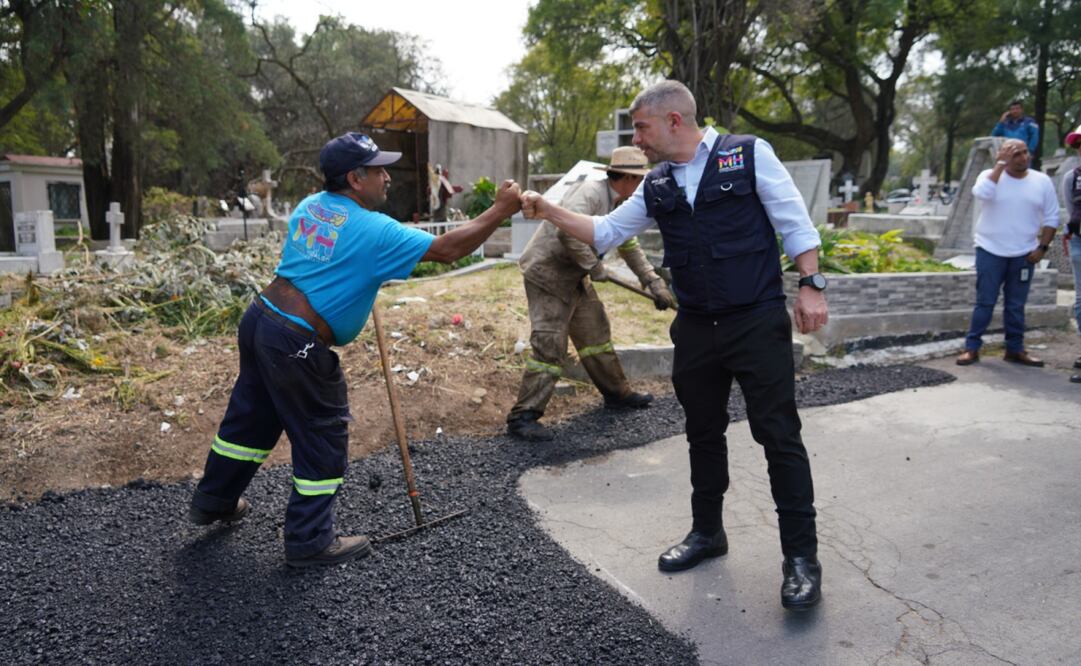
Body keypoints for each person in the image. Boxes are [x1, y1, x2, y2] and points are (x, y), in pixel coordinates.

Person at [520, 80, 828, 610]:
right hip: (697, 327)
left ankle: (801, 557)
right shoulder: (657, 183)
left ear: (674, 122)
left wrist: (811, 284)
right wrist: (548, 211)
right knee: (702, 434)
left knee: (779, 436)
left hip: (754, 321)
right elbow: (606, 230)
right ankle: (707, 533)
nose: (636, 138)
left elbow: (793, 220)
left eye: (641, 127)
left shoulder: (748, 155)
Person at [189, 132, 522, 567]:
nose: (387, 177)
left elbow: (335, 257)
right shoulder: (373, 229)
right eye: (378, 170)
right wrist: (500, 209)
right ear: (354, 177)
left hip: (261, 320)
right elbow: (447, 249)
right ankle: (308, 540)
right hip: (296, 340)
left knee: (251, 418)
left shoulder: (313, 206)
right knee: (323, 432)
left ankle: (214, 500)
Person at [507, 146, 677, 441]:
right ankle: (523, 416)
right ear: (625, 178)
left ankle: (617, 394)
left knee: (595, 334)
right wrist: (593, 265)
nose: (641, 188)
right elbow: (565, 231)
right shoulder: (590, 193)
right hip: (548, 274)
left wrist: (652, 282)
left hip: (574, 275)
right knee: (550, 346)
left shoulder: (621, 203)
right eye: (639, 181)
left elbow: (628, 245)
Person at [956, 138, 1059, 368]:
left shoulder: (1041, 181)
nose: (1023, 158)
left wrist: (1042, 248)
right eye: (1016, 154)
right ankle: (971, 348)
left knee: (1015, 305)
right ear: (1004, 157)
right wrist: (999, 166)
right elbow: (981, 194)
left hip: (1024, 254)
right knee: (985, 302)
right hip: (990, 250)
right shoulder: (988, 176)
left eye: (1025, 152)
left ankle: (1015, 349)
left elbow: (1052, 217)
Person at [1061, 123, 1081, 383]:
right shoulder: (1071, 177)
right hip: (1079, 241)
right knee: (1080, 303)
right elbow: (1070, 210)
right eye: (1078, 145)